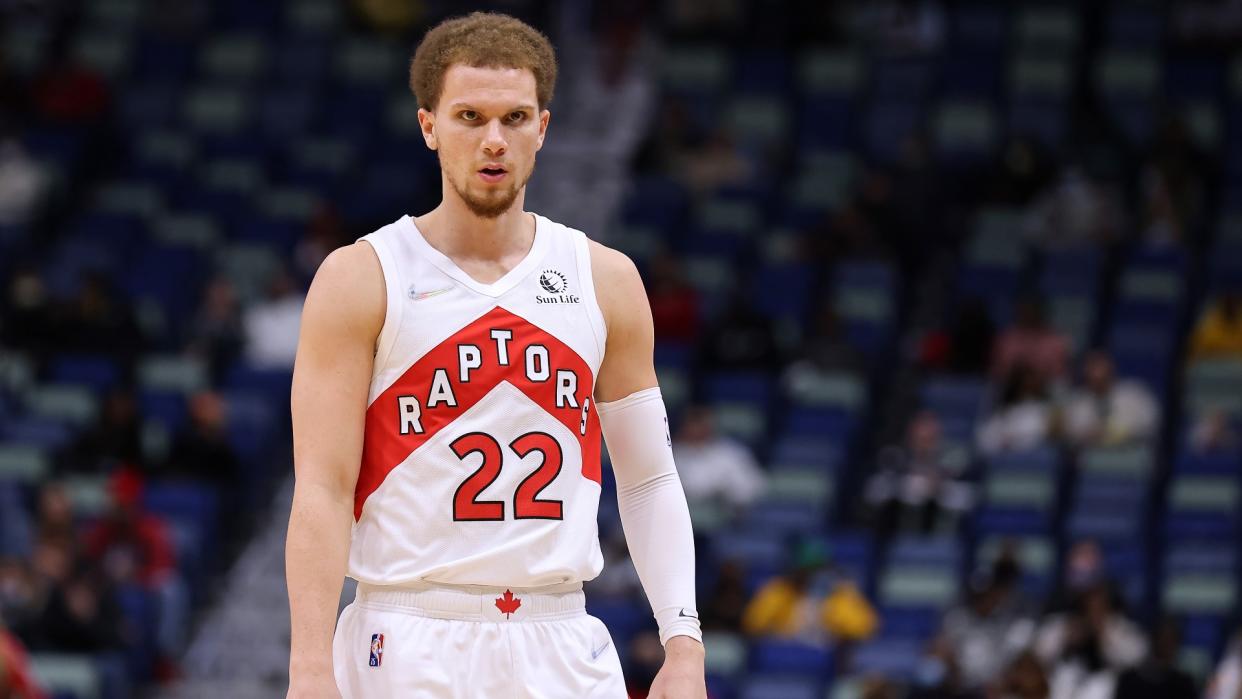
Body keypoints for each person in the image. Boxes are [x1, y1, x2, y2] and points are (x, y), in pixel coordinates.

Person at [285, 13, 704, 699]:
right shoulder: (362, 277)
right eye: (469, 116)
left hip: (559, 632)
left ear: (542, 128)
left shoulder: (606, 280)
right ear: (428, 126)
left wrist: (683, 644)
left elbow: (650, 479)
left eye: (514, 118)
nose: (493, 140)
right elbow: (324, 489)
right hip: (407, 628)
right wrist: (307, 667)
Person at [1060, 350, 1159, 448]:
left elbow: (1151, 422)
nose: (1097, 375)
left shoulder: (1134, 392)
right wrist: (1089, 434)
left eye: (1100, 367)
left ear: (1111, 370)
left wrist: (1125, 431)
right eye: (1092, 368)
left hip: (1132, 450)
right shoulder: (1079, 401)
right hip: (1094, 453)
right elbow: (1071, 432)